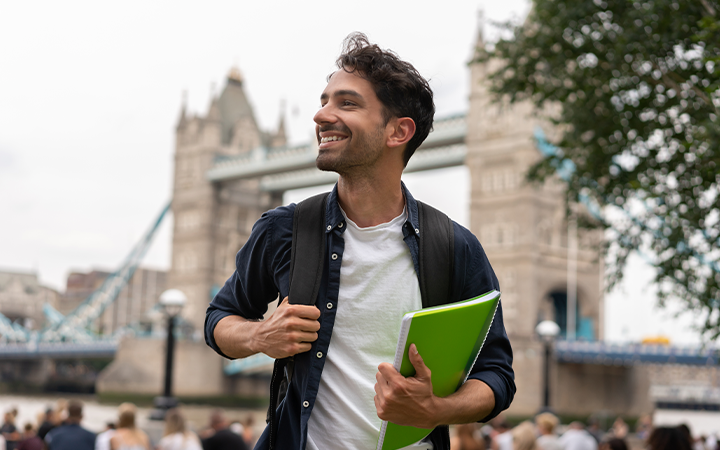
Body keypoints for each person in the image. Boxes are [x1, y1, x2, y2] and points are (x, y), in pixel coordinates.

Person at [204, 31, 515, 450]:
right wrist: (258, 337)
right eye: (324, 101)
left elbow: (496, 375)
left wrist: (436, 410)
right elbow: (219, 318)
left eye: (346, 103)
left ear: (398, 131)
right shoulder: (284, 230)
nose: (321, 115)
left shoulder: (455, 247)